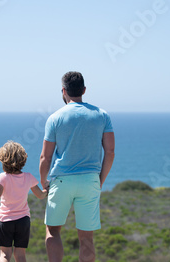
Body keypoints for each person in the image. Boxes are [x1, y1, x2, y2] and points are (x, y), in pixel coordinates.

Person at [39, 71, 115, 262]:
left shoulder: (55, 118)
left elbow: (45, 157)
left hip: (61, 180)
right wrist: (100, 180)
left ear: (63, 91)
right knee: (87, 238)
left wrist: (43, 182)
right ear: (84, 90)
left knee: (53, 231)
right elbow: (110, 152)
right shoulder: (102, 115)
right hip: (90, 180)